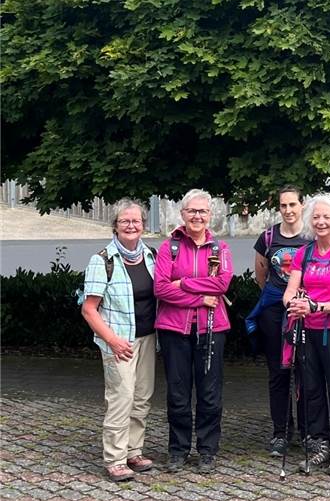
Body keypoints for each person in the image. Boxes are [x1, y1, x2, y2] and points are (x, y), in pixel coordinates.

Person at [154, 191, 233, 473]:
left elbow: (222, 284)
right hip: (175, 328)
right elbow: (161, 288)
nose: (197, 216)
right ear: (183, 214)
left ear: (209, 215)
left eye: (202, 211)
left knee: (210, 392)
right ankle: (178, 450)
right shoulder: (169, 248)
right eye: (192, 211)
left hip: (213, 327)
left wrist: (182, 283)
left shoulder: (219, 248)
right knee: (178, 392)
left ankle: (208, 450)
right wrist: (199, 296)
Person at [80, 199, 158, 482]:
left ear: (143, 226)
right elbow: (89, 309)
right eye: (125, 221)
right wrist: (112, 341)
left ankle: (133, 451)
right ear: (115, 225)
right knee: (120, 398)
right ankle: (114, 458)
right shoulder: (102, 260)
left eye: (136, 221)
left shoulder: (151, 255)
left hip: (148, 338)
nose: (131, 225)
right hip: (119, 342)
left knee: (142, 398)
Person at [283, 194, 330, 476]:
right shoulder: (304, 253)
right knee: (311, 390)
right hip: (306, 332)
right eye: (316, 217)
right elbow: (290, 290)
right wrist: (293, 304)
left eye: (327, 217)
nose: (321, 221)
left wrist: (317, 306)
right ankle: (318, 446)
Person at [250, 186, 306, 456]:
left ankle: (309, 430)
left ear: (302, 205)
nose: (289, 210)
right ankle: (281, 431)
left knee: (307, 372)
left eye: (293, 204)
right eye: (284, 206)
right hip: (274, 310)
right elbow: (261, 273)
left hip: (306, 312)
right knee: (278, 372)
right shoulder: (268, 237)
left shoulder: (311, 236)